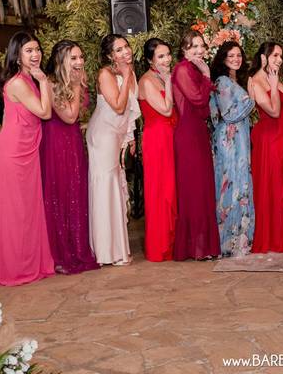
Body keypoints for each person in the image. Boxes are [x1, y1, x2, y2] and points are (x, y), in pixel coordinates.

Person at [0, 31, 55, 285]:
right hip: (14, 154)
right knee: (15, 211)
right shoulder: (18, 82)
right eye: (29, 51)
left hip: (26, 150)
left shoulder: (27, 78)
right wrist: (44, 81)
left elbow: (9, 116)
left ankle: (28, 262)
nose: (36, 55)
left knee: (27, 210)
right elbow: (45, 113)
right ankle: (13, 267)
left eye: (37, 49)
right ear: (17, 55)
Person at [40, 40, 99, 274]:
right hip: (56, 144)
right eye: (73, 58)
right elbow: (69, 116)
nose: (80, 61)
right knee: (61, 195)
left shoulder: (74, 81)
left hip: (73, 142)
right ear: (60, 60)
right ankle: (61, 254)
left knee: (75, 193)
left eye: (81, 57)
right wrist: (75, 86)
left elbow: (79, 115)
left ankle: (77, 248)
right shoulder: (51, 83)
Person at [87, 34, 141, 266]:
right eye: (118, 50)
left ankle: (116, 248)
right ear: (110, 56)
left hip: (117, 135)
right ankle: (105, 252)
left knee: (115, 188)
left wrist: (129, 138)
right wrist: (127, 75)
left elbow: (130, 107)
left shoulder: (128, 72)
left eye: (126, 47)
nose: (125, 52)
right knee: (105, 188)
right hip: (103, 136)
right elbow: (118, 107)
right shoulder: (105, 74)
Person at [172, 30, 221, 261]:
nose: (200, 50)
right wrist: (207, 75)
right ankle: (195, 247)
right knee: (194, 190)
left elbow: (203, 110)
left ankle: (205, 246)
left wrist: (204, 76)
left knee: (203, 189)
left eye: (202, 46)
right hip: (187, 135)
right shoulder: (183, 69)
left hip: (199, 132)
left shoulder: (195, 70)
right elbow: (199, 99)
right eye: (194, 46)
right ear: (184, 50)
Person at [248, 42, 283, 253]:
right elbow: (274, 111)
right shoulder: (255, 81)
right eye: (275, 55)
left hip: (282, 137)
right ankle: (273, 238)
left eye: (281, 56)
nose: (279, 59)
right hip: (268, 140)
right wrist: (274, 83)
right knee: (274, 186)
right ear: (264, 57)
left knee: (282, 182)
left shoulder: (273, 77)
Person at [210, 41, 256, 257]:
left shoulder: (237, 80)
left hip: (241, 138)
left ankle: (242, 239)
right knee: (230, 184)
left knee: (241, 183)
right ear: (223, 58)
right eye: (231, 56)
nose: (236, 59)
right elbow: (229, 114)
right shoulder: (222, 81)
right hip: (229, 140)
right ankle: (227, 242)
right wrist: (251, 100)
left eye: (239, 55)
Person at [138, 38, 177, 262]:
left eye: (168, 54)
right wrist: (169, 82)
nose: (166, 59)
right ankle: (160, 245)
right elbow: (165, 109)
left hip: (170, 136)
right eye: (161, 56)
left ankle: (173, 241)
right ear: (150, 60)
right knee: (160, 191)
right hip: (157, 139)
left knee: (171, 189)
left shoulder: (162, 77)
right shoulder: (147, 81)